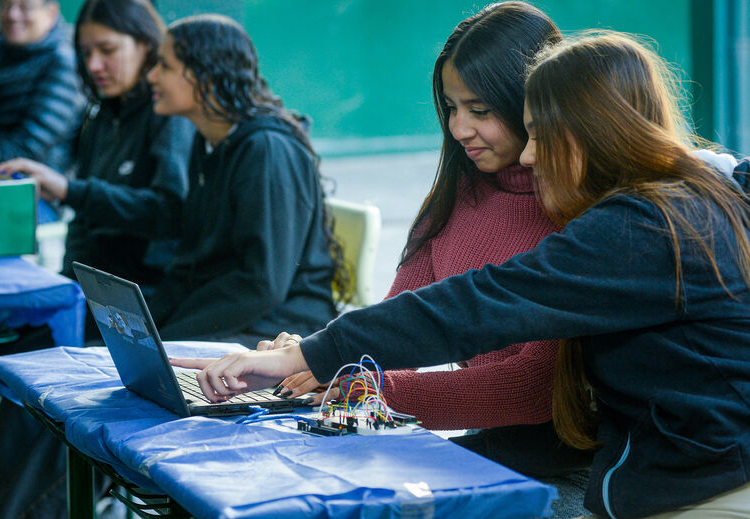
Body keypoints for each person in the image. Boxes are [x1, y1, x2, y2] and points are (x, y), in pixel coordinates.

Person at [174, 33, 750, 518]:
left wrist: (316, 361)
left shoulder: (642, 227)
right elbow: (431, 307)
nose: (528, 156)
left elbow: (480, 305)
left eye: (539, 135)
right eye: (452, 109)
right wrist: (329, 361)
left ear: (592, 132)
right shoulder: (679, 199)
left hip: (699, 488)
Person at [276, 1, 589, 482]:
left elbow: (531, 388)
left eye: (479, 110)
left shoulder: (578, 214)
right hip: (485, 445)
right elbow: (396, 323)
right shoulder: (453, 195)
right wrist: (313, 359)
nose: (458, 129)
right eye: (449, 107)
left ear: (532, 103)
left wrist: (369, 388)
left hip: (557, 469)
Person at [0, 1, 192, 517]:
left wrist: (72, 189)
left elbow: (169, 213)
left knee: (56, 403)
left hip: (145, 303)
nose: (94, 65)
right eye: (86, 52)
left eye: (107, 50)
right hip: (93, 296)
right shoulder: (103, 115)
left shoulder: (167, 118)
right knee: (19, 383)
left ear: (146, 46)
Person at [144, 13, 341, 345]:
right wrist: (147, 329)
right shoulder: (208, 142)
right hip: (234, 314)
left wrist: (169, 340)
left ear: (203, 76)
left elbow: (263, 284)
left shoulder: (266, 149)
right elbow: (192, 262)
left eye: (164, 65)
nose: (151, 76)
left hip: (282, 328)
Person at [0, 0, 83, 171]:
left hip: (28, 182)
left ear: (51, 13)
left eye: (25, 7)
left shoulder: (62, 61)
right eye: (5, 6)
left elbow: (32, 143)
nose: (12, 15)